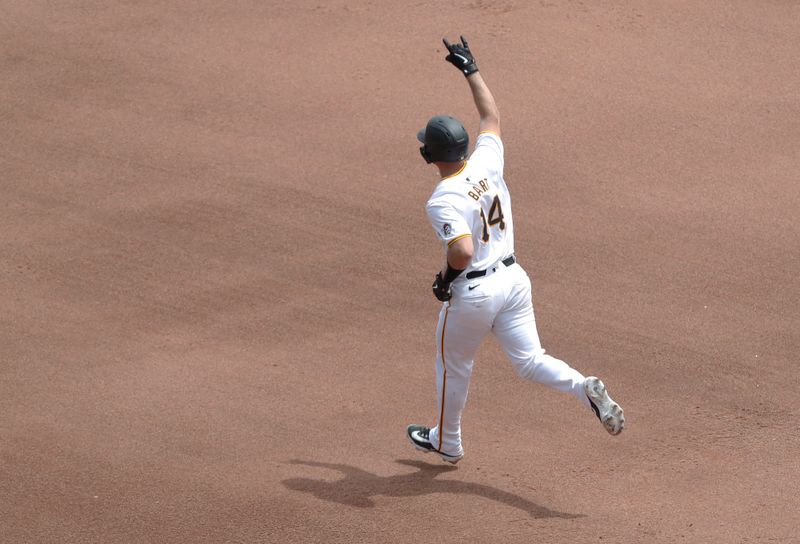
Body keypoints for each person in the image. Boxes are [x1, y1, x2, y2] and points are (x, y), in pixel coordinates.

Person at [407, 36, 625, 464]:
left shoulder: (443, 198)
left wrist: (445, 279)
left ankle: (447, 442)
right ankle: (583, 388)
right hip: (513, 280)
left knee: (454, 367)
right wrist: (471, 69)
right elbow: (491, 116)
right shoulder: (487, 159)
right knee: (530, 360)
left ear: (429, 153)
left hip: (475, 295)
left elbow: (463, 252)